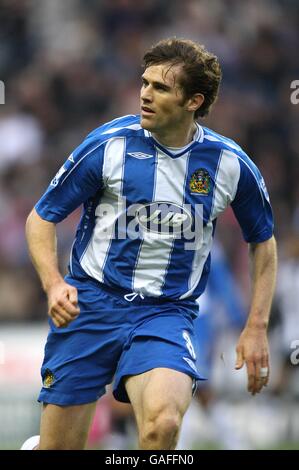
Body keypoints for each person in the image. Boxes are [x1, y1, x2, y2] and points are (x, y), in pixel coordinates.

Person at [22, 38, 277, 450]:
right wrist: (53, 284)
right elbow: (41, 217)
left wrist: (256, 326)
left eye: (160, 88)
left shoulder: (230, 164)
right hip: (89, 306)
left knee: (163, 426)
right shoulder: (108, 145)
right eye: (144, 82)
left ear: (194, 100)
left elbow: (262, 242)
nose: (144, 93)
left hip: (166, 313)